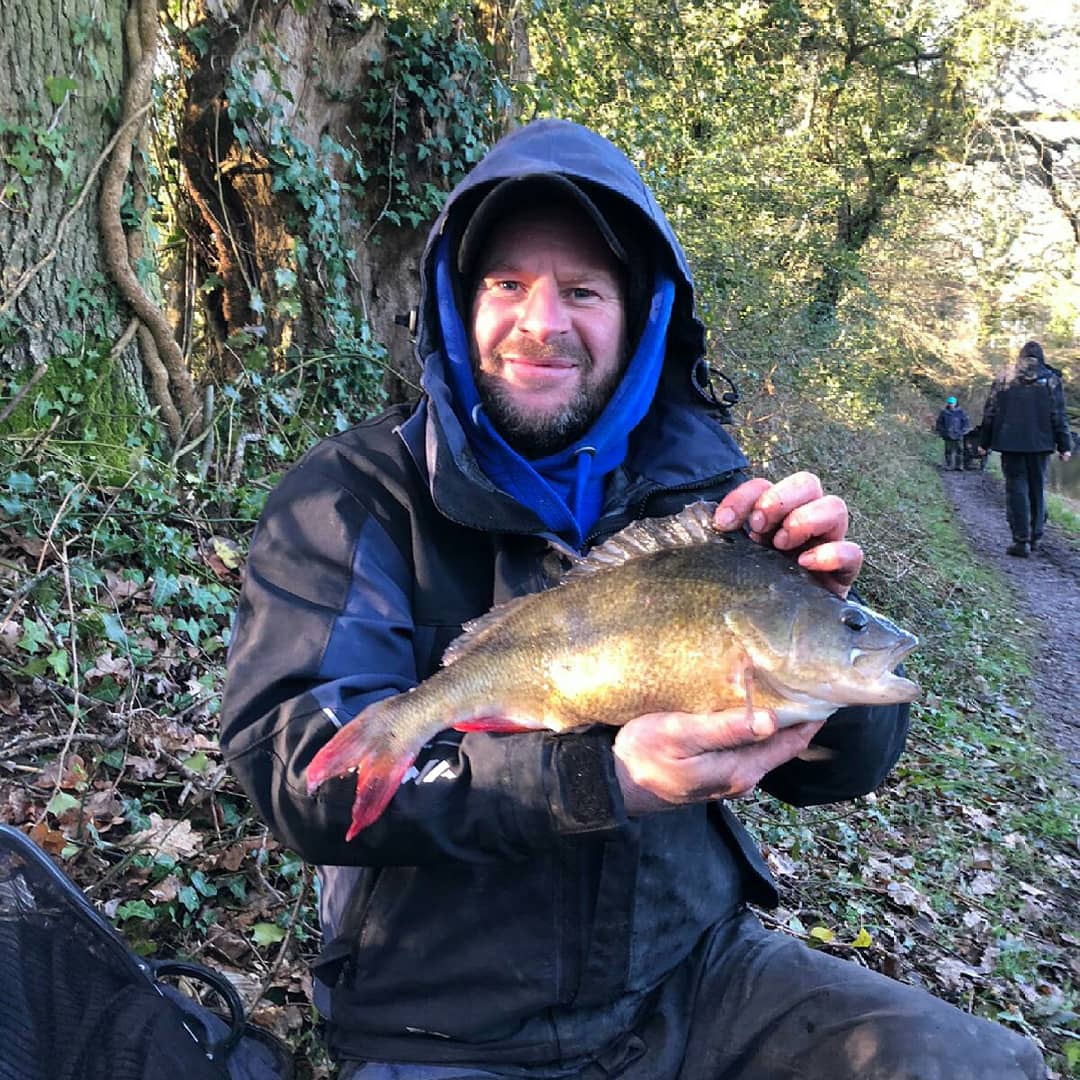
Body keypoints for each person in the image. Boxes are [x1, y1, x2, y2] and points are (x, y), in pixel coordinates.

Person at [220, 120, 1046, 1079]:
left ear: (641, 316)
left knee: (975, 1064)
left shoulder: (714, 506)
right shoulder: (349, 497)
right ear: (456, 303)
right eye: (506, 285)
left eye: (582, 291)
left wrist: (828, 617)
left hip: (693, 977)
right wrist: (600, 779)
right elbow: (299, 771)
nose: (542, 321)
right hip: (444, 1022)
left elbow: (837, 773)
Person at [978, 340, 1073, 557]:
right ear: (1041, 357)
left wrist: (984, 442)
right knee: (1037, 488)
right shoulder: (1051, 379)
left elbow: (990, 412)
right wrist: (1064, 445)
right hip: (1040, 445)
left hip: (1010, 443)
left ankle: (1021, 540)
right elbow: (1058, 414)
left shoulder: (1004, 378)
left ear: (1020, 356)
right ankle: (1036, 536)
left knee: (1016, 489)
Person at [934, 395, 969, 470]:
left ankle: (959, 465)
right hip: (947, 435)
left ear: (955, 403)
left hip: (958, 434)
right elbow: (939, 423)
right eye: (949, 403)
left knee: (960, 450)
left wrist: (963, 431)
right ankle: (949, 465)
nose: (951, 405)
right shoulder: (944, 412)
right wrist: (942, 431)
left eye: (952, 403)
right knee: (948, 451)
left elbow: (966, 423)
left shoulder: (961, 412)